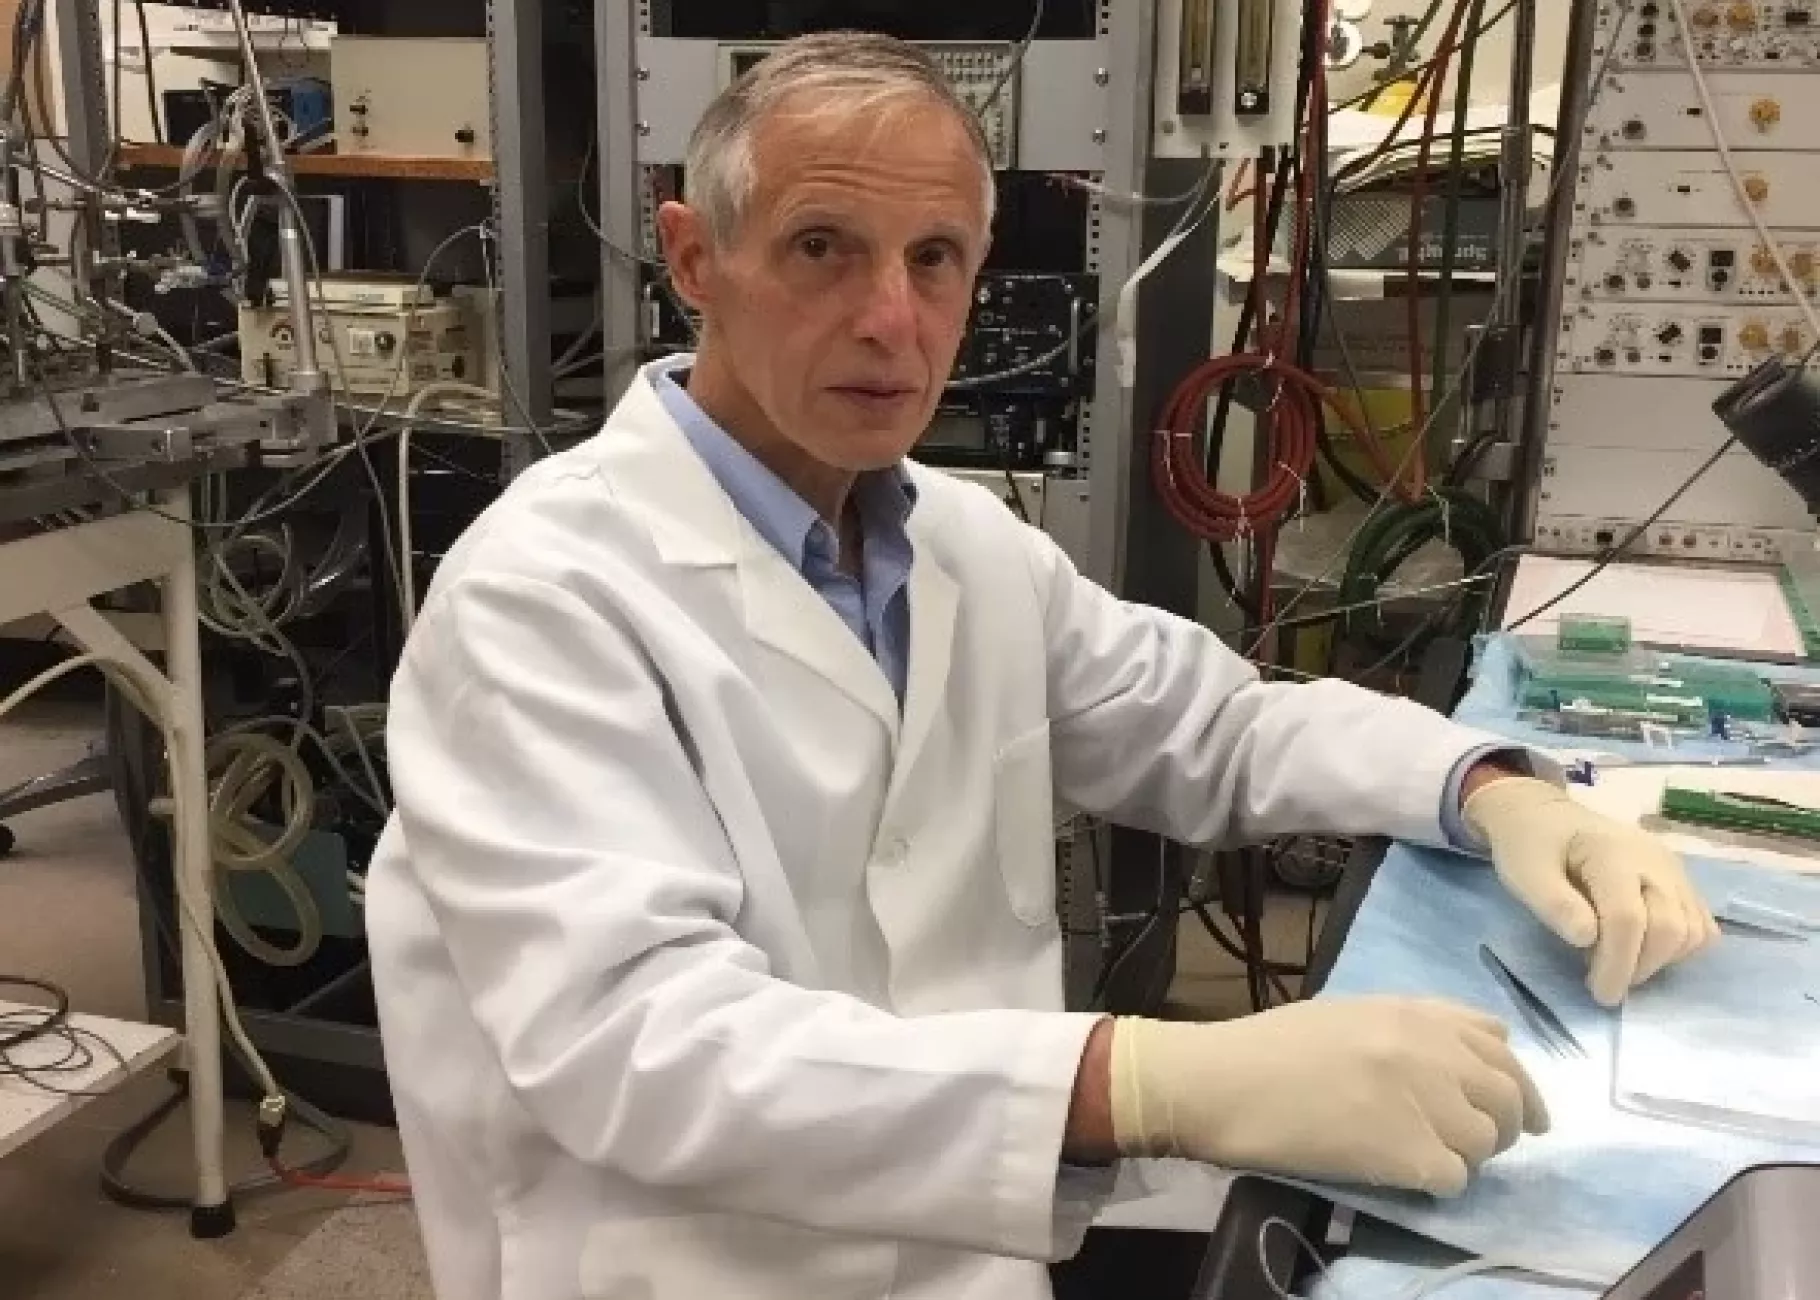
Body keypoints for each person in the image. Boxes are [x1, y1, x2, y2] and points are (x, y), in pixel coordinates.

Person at [364, 31, 1717, 1300]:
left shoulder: (953, 541)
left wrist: (1489, 786)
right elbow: (643, 1051)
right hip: (688, 1260)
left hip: (964, 1249)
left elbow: (1214, 728)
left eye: (937, 257)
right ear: (694, 256)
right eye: (822, 247)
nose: (893, 318)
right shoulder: (542, 597)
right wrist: (1148, 1084)